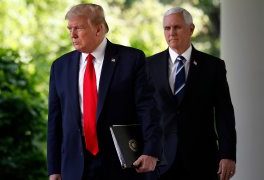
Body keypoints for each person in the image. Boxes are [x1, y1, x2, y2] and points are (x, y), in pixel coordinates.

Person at [47, 3, 163, 180]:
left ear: (99, 29)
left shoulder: (132, 59)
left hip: (122, 163)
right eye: (70, 28)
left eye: (78, 28)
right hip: (75, 165)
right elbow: (55, 122)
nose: (72, 34)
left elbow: (147, 109)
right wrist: (54, 169)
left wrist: (151, 151)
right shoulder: (60, 67)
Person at [146, 7, 237, 180]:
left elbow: (224, 113)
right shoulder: (149, 65)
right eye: (167, 28)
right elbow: (141, 111)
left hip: (202, 160)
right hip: (159, 160)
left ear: (191, 29)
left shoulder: (213, 66)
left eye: (177, 27)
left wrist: (227, 154)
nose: (171, 32)